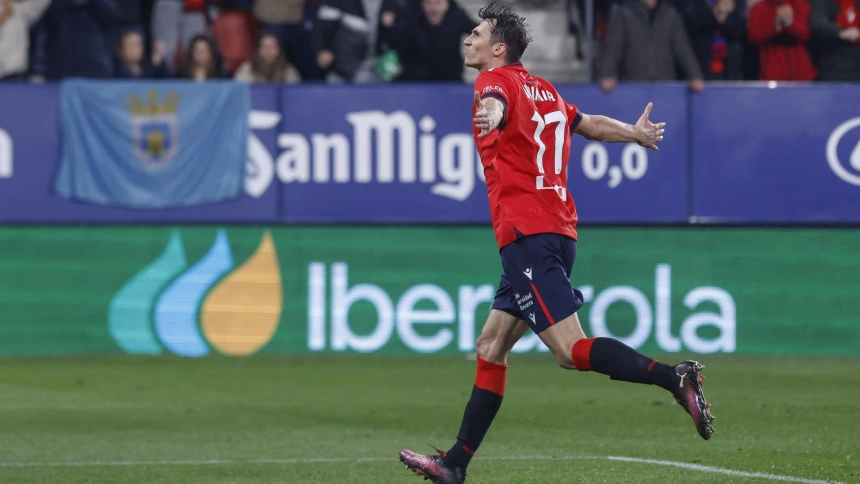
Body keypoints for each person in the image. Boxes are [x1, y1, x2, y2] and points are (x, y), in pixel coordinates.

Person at [398, 3, 714, 483]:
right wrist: (634, 133)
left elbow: (495, 106)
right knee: (490, 346)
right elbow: (588, 123)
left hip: (529, 236)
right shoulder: (544, 90)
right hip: (554, 232)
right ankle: (454, 465)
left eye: (477, 33)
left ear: (498, 48)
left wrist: (491, 114)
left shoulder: (493, 83)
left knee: (570, 351)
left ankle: (671, 376)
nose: (469, 38)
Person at [599, 0, 705, 92]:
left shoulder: (670, 14)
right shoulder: (624, 14)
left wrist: (695, 75)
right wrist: (608, 74)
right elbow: (614, 48)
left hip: (665, 85)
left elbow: (682, 48)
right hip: (634, 85)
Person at [747, 0, 817, 81]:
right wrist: (775, 26)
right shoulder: (758, 8)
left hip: (801, 72)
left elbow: (805, 33)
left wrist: (790, 23)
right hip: (772, 71)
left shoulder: (800, 4)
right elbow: (754, 36)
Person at [233, 32, 301, 83]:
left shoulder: (288, 71)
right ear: (258, 50)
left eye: (273, 47)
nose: (269, 51)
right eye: (265, 47)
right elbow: (239, 93)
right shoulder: (246, 69)